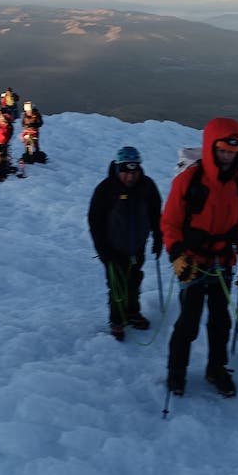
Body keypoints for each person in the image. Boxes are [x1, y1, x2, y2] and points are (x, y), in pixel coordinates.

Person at [161, 118, 238, 397]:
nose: (227, 157)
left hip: (222, 263)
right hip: (191, 263)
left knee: (220, 322)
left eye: (232, 152)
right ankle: (176, 374)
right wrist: (177, 255)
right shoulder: (188, 181)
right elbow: (170, 222)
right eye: (223, 151)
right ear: (211, 148)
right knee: (188, 323)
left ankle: (216, 369)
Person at [87, 146, 163, 341]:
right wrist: (103, 249)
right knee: (117, 285)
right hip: (112, 248)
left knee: (134, 280)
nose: (130, 177)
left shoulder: (147, 187)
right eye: (126, 173)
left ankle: (132, 313)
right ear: (118, 169)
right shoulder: (106, 189)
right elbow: (95, 221)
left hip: (137, 245)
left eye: (134, 172)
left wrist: (158, 237)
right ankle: (117, 320)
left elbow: (156, 214)